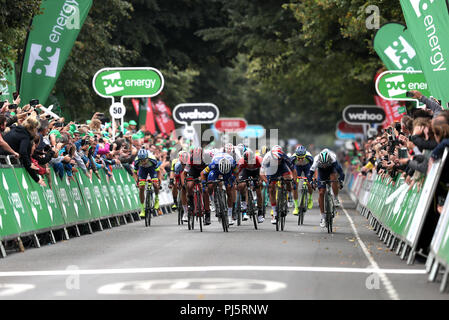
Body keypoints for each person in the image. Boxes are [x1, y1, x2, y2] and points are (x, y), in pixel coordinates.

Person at [308, 148, 345, 228]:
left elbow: (341, 173)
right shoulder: (316, 160)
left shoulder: (333, 159)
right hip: (321, 172)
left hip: (331, 170)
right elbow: (309, 174)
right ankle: (323, 217)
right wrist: (311, 182)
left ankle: (335, 198)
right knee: (321, 192)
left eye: (326, 164)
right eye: (323, 164)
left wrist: (341, 182)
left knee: (334, 179)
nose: (324, 166)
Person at [260, 145, 296, 224]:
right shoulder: (267, 157)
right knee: (271, 188)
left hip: (282, 168)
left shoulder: (284, 156)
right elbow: (261, 173)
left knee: (287, 179)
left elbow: (293, 170)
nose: (277, 161)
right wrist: (267, 181)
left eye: (279, 160)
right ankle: (275, 214)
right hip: (271, 169)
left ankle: (288, 195)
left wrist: (294, 180)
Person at [201, 151, 238, 225]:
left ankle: (230, 216)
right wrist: (204, 184)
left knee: (229, 190)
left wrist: (234, 181)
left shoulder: (233, 163)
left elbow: (236, 173)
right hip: (216, 171)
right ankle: (212, 201)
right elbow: (202, 173)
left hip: (228, 172)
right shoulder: (213, 164)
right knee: (210, 185)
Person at [182, 147, 212, 224]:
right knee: (190, 185)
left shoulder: (207, 158)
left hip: (205, 171)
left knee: (205, 191)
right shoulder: (190, 160)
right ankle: (191, 202)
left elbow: (211, 172)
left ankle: (207, 213)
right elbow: (184, 174)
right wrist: (183, 185)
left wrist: (205, 181)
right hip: (194, 171)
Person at [237, 148, 264, 223]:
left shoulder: (259, 160)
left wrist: (261, 180)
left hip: (257, 172)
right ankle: (244, 202)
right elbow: (236, 173)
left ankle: (260, 213)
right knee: (242, 185)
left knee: (258, 191)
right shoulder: (241, 162)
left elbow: (263, 172)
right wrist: (237, 181)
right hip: (245, 171)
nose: (250, 164)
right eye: (247, 162)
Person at [134, 147, 161, 217]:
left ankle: (157, 199)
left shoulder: (153, 159)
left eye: (144, 160)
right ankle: (142, 209)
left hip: (152, 169)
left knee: (155, 184)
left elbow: (158, 171)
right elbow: (134, 173)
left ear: (147, 158)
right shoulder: (137, 161)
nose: (143, 162)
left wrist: (159, 181)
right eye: (141, 161)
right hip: (142, 170)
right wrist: (137, 181)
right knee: (141, 187)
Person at [290, 145, 314, 214]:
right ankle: (296, 207)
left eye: (302, 158)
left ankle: (310, 198)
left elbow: (314, 168)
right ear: (296, 156)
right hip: (297, 168)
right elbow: (290, 170)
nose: (300, 160)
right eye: (299, 158)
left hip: (307, 167)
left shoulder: (309, 157)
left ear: (305, 155)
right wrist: (293, 179)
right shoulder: (292, 158)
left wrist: (313, 178)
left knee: (309, 183)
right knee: (295, 186)